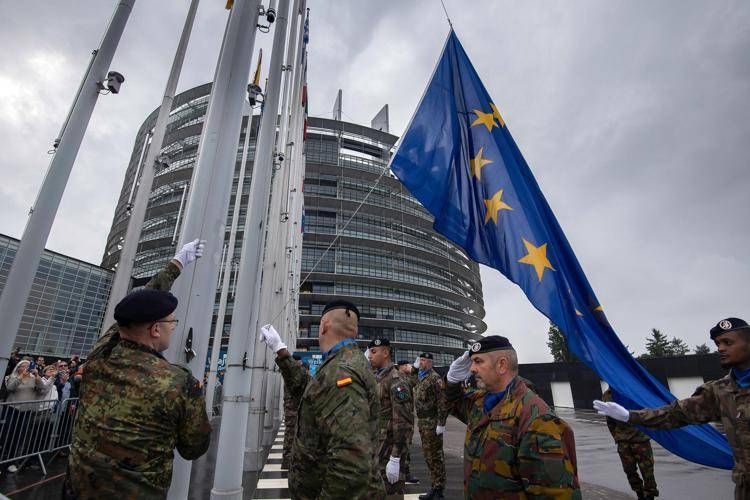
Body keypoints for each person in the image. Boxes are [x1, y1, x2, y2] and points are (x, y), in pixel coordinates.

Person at [64, 239, 211, 500]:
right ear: (155, 329)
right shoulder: (178, 383)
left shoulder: (100, 356)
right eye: (171, 322)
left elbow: (131, 312)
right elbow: (194, 447)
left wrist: (176, 264)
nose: (173, 326)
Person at [594, 317, 750, 500]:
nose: (720, 348)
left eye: (727, 342)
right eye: (717, 343)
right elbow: (675, 414)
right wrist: (630, 416)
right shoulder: (719, 391)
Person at [260, 300, 384, 499]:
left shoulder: (341, 371)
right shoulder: (346, 361)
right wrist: (281, 351)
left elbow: (351, 464)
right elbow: (314, 393)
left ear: (324, 325)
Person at [446, 335, 581, 499]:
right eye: (472, 362)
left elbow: (556, 494)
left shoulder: (537, 420)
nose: (472, 369)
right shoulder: (480, 402)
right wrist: (451, 381)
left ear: (502, 365)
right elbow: (453, 403)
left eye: (478, 361)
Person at [368, 338, 414, 498]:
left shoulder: (396, 380)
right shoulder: (377, 377)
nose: (369, 356)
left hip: (388, 452)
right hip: (376, 449)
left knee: (391, 494)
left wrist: (395, 457)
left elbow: (403, 422)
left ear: (386, 353)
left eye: (374, 352)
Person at [601, 388, 658, 499]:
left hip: (640, 438)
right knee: (629, 470)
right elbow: (610, 421)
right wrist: (617, 437)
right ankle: (639, 493)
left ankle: (650, 495)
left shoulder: (632, 389)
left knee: (647, 471)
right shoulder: (607, 395)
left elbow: (647, 411)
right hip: (623, 441)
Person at [412, 352, 448, 500]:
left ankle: (438, 489)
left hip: (432, 423)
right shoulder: (420, 377)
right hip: (423, 423)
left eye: (425, 360)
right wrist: (414, 369)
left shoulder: (435, 379)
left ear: (431, 362)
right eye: (421, 360)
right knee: (428, 456)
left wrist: (441, 423)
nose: (422, 362)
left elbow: (442, 402)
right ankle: (434, 486)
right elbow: (410, 382)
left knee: (436, 456)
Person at [281, 354, 310, 470]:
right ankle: (287, 461)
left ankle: (290, 460)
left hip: (293, 409)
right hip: (292, 410)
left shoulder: (292, 374)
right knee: (290, 435)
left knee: (292, 434)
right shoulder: (292, 375)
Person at [395, 359, 419, 486]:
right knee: (399, 446)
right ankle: (401, 473)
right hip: (400, 418)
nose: (408, 366)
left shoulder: (406, 378)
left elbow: (415, 382)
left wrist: (414, 370)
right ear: (401, 366)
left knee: (406, 446)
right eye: (406, 365)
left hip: (407, 418)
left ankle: (405, 472)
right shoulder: (398, 378)